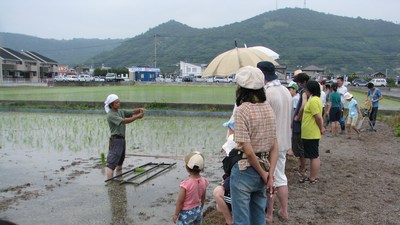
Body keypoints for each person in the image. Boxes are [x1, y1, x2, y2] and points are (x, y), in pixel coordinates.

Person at [230, 66, 278, 225]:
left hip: (245, 170)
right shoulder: (268, 108)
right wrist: (269, 175)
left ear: (242, 88)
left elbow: (249, 152)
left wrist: (265, 175)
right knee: (259, 217)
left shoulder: (242, 110)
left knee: (241, 221)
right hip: (264, 169)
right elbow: (274, 146)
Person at [257, 61, 292, 222]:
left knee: (272, 178)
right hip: (285, 140)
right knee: (280, 176)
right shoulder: (285, 90)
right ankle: (283, 211)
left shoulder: (266, 93)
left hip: (272, 144)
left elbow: (263, 121)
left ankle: (270, 214)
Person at [104, 94, 145, 179]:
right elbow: (124, 121)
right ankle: (110, 182)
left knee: (120, 162)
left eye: (119, 101)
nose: (119, 103)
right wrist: (137, 117)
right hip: (116, 140)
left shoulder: (120, 111)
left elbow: (131, 112)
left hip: (122, 140)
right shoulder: (111, 115)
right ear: (111, 105)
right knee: (111, 163)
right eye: (116, 102)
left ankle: (119, 178)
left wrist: (139, 109)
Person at [299, 80, 326, 184]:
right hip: (310, 132)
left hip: (311, 133)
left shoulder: (314, 100)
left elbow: (318, 117)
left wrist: (321, 128)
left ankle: (312, 178)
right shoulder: (315, 99)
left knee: (313, 156)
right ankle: (312, 177)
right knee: (313, 155)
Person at [173, 152, 209, 225]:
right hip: (198, 209)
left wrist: (176, 214)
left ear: (186, 167)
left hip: (186, 213)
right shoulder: (204, 181)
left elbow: (180, 202)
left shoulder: (185, 184)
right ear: (201, 168)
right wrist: (200, 208)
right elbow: (203, 198)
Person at [292, 73, 310, 177]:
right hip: (303, 123)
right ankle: (301, 166)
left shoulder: (304, 92)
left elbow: (303, 105)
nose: (297, 85)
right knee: (300, 146)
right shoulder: (308, 91)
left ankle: (302, 168)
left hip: (300, 124)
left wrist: (298, 117)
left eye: (298, 82)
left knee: (300, 146)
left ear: (303, 82)